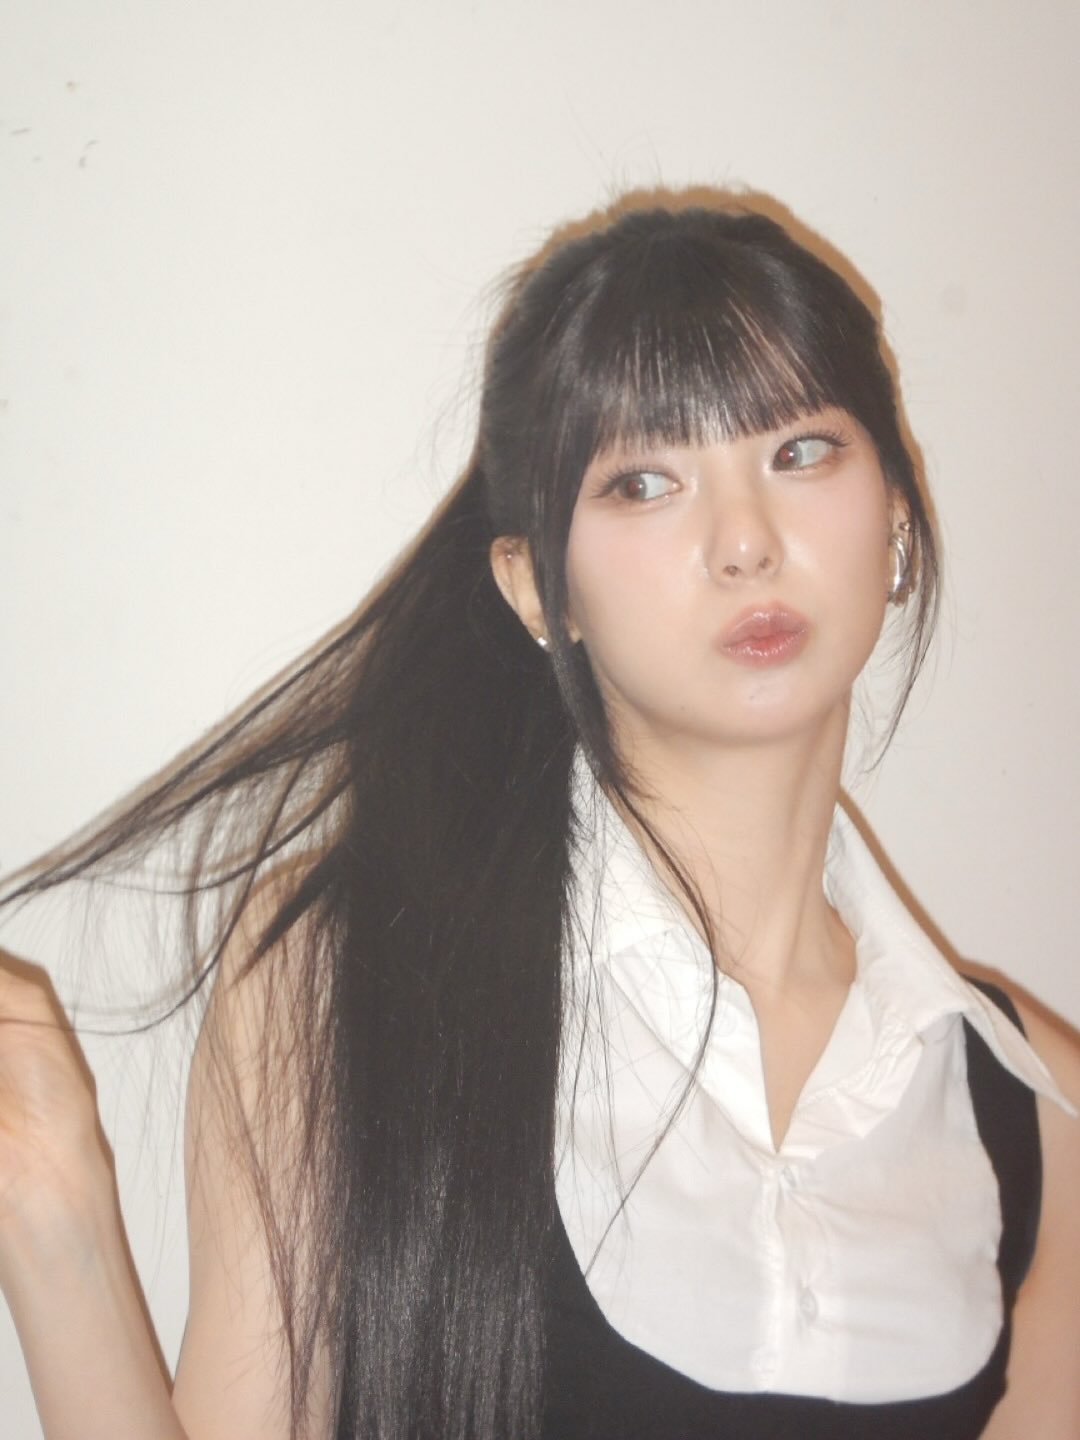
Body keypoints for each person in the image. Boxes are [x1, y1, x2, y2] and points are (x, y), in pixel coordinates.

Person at [1, 193, 1078, 1440]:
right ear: (533, 587)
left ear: (895, 504)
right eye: (645, 481)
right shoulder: (347, 973)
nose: (745, 542)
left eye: (800, 452)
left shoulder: (1040, 1110)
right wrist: (53, 1217)